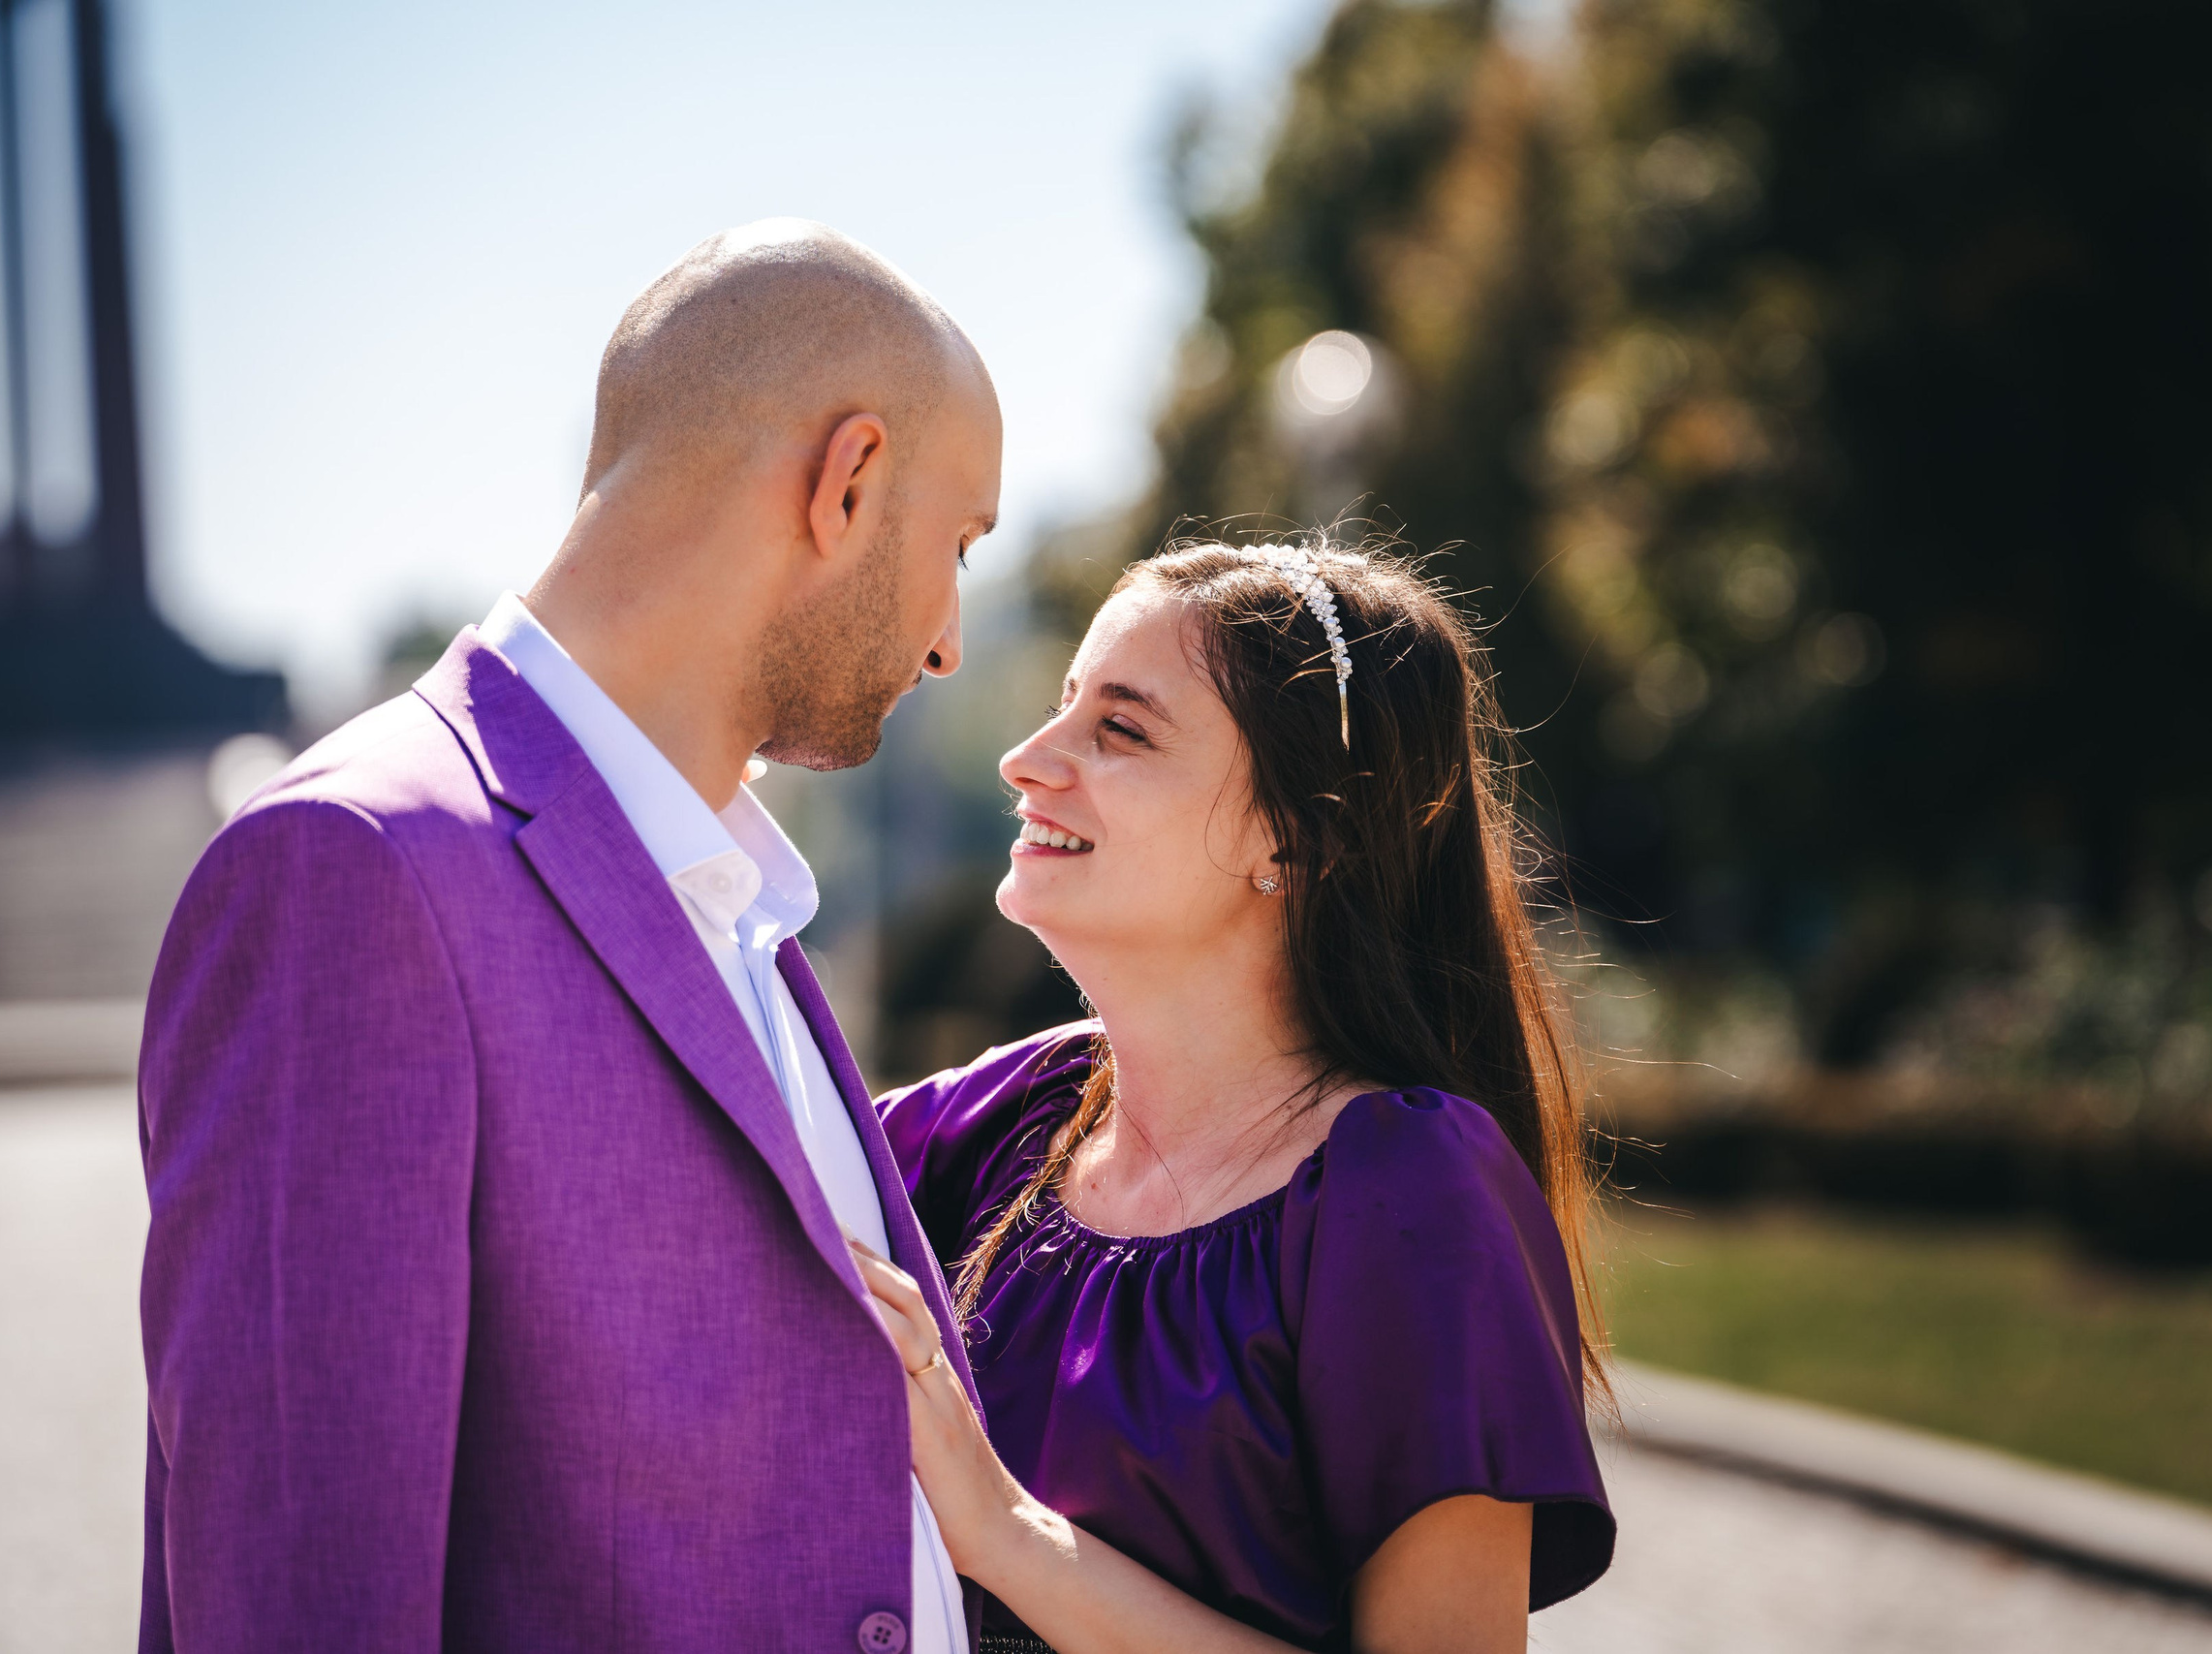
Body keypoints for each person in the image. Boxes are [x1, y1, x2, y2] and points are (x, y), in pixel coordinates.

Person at [136, 220, 1002, 1652]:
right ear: (848, 483)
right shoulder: (355, 870)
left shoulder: (744, 910)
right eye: (959, 543)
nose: (951, 641)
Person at [858, 537, 1615, 1654]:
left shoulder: (1406, 1191)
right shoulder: (1000, 1120)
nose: (1026, 757)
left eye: (1119, 728)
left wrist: (1005, 1532)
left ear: (1298, 834)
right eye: (1063, 704)